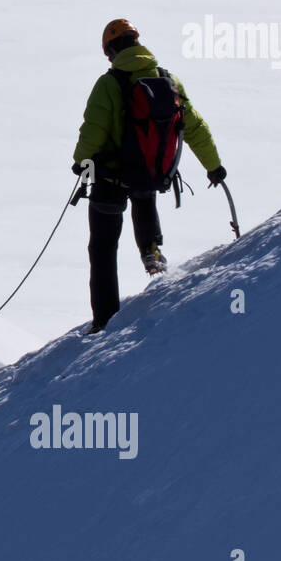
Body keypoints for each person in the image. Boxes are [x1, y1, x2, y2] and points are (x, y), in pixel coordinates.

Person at [72, 19, 226, 334]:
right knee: (143, 197)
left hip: (111, 177)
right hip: (148, 172)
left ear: (112, 49)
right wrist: (213, 165)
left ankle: (104, 320)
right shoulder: (167, 79)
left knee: (102, 247)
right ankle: (153, 256)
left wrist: (81, 162)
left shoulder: (109, 84)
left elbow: (93, 131)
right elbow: (194, 126)